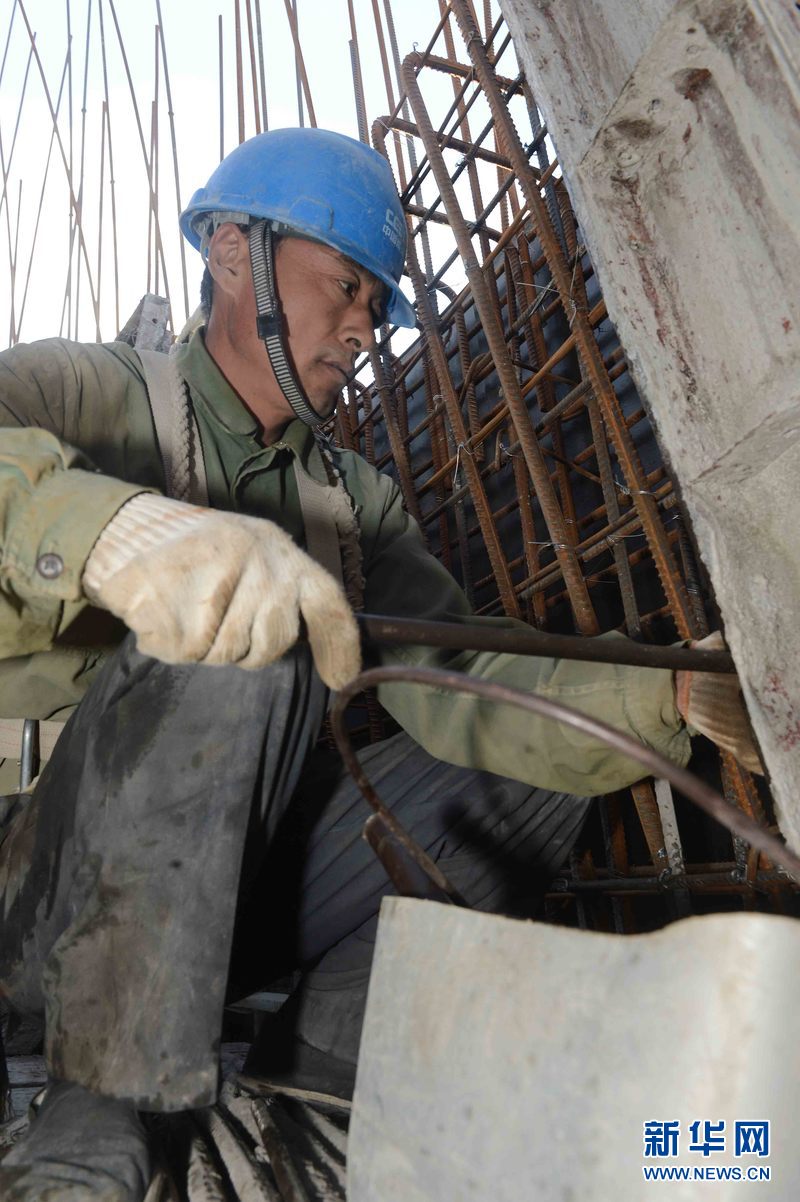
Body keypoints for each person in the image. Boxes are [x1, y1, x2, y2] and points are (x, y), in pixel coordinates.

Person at [0, 128, 759, 1201]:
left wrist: (667, 691)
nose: (364, 326)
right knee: (253, 613)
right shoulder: (87, 394)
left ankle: (317, 1074)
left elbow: (461, 678)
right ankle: (101, 1113)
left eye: (375, 302)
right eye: (346, 285)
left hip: (217, 911)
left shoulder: (349, 503)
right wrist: (108, 530)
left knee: (546, 765)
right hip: (39, 903)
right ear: (233, 253)